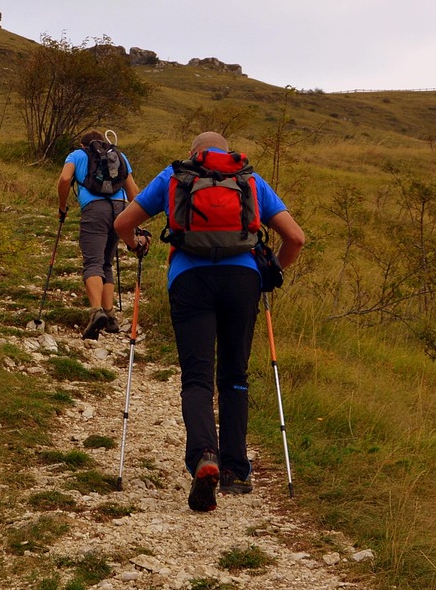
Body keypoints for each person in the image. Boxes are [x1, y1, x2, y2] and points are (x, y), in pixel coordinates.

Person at [114, 131, 305, 512]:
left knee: (197, 378)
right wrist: (270, 274)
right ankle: (236, 470)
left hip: (190, 280)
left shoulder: (175, 176)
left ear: (194, 153)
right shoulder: (250, 179)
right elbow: (296, 238)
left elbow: (123, 223)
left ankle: (204, 456)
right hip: (242, 281)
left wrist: (136, 244)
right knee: (234, 376)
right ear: (226, 153)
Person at [56, 131, 141, 340]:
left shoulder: (77, 155)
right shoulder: (119, 156)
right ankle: (110, 315)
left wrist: (62, 207)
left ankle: (96, 312)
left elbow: (65, 178)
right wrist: (134, 221)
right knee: (106, 263)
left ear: (82, 144)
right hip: (120, 209)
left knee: (93, 262)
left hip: (94, 209)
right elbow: (133, 192)